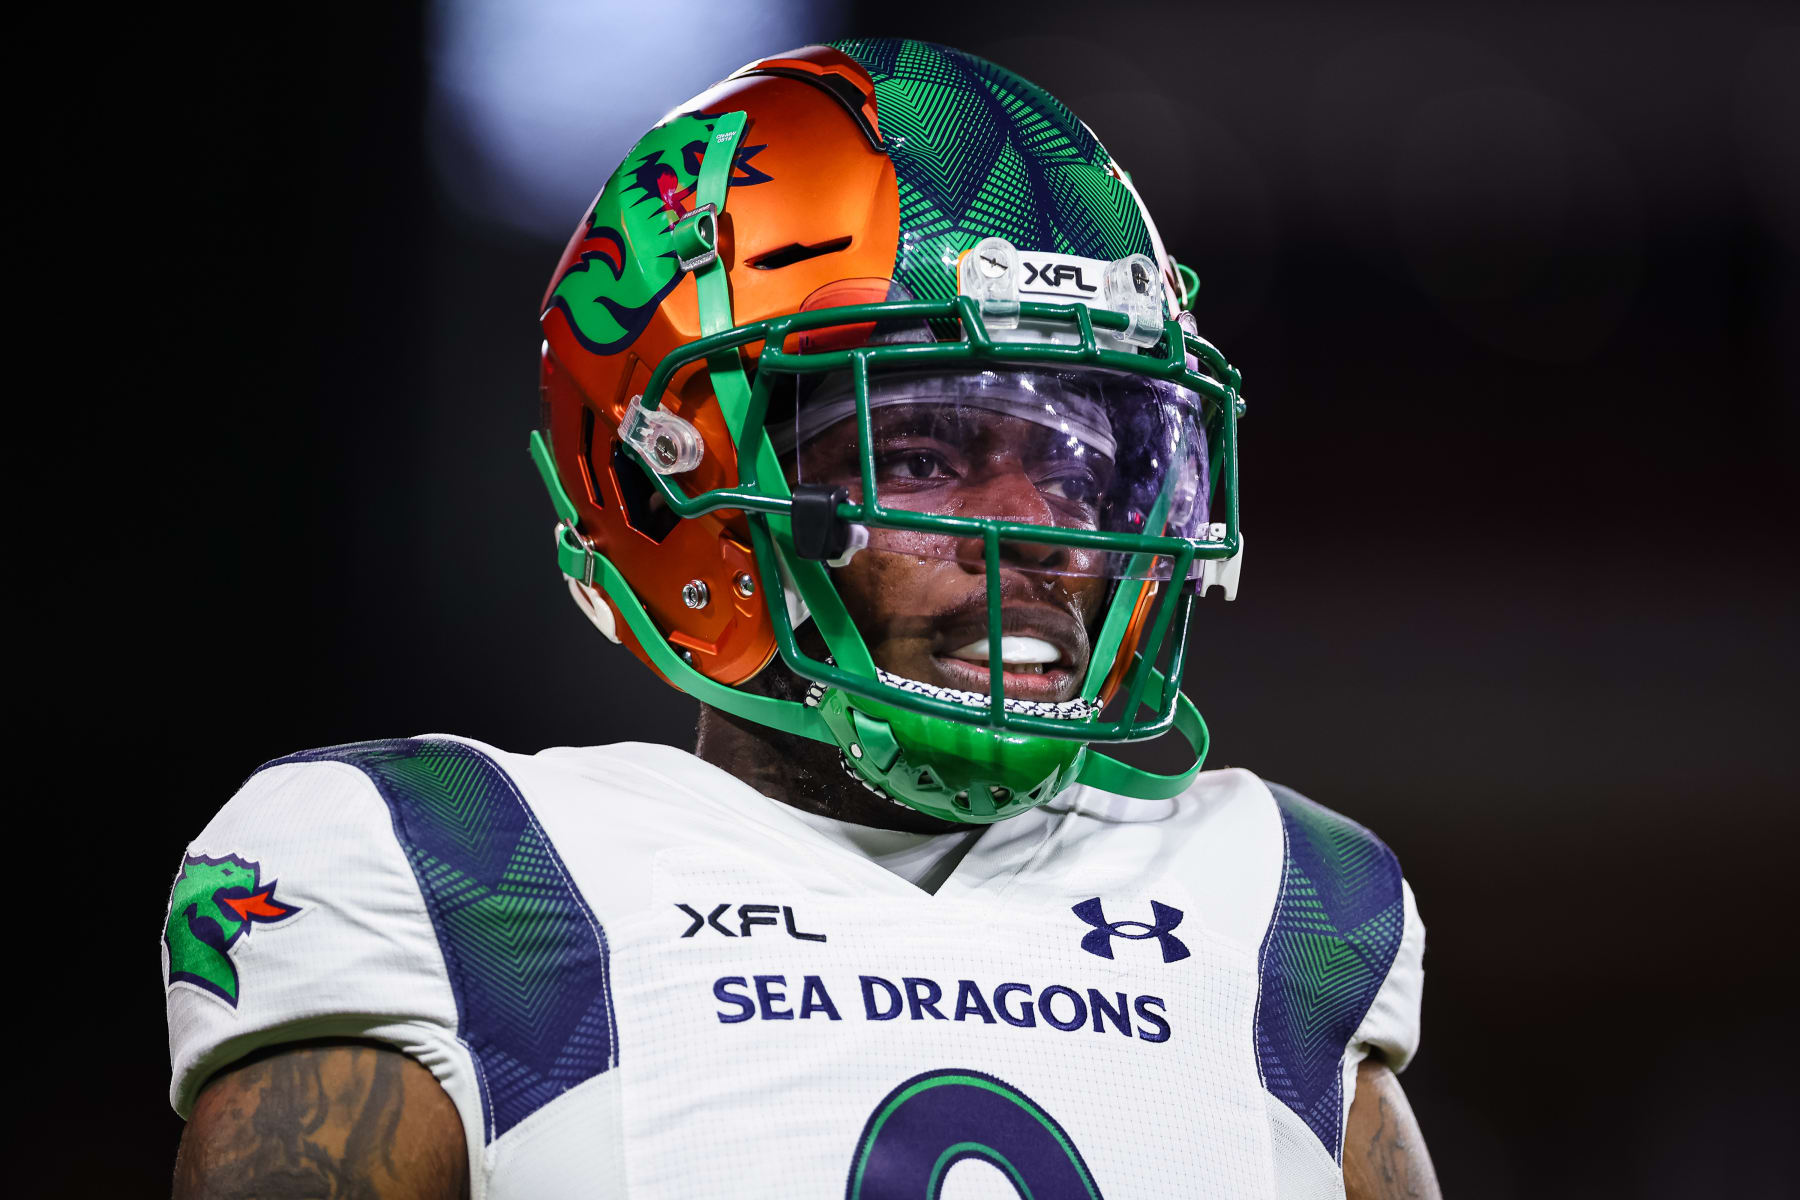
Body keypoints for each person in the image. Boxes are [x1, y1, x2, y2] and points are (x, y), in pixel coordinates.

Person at [166, 38, 1439, 1199]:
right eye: (924, 452)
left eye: (1074, 460)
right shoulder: (456, 875)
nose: (1038, 525)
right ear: (676, 478)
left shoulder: (1285, 909)